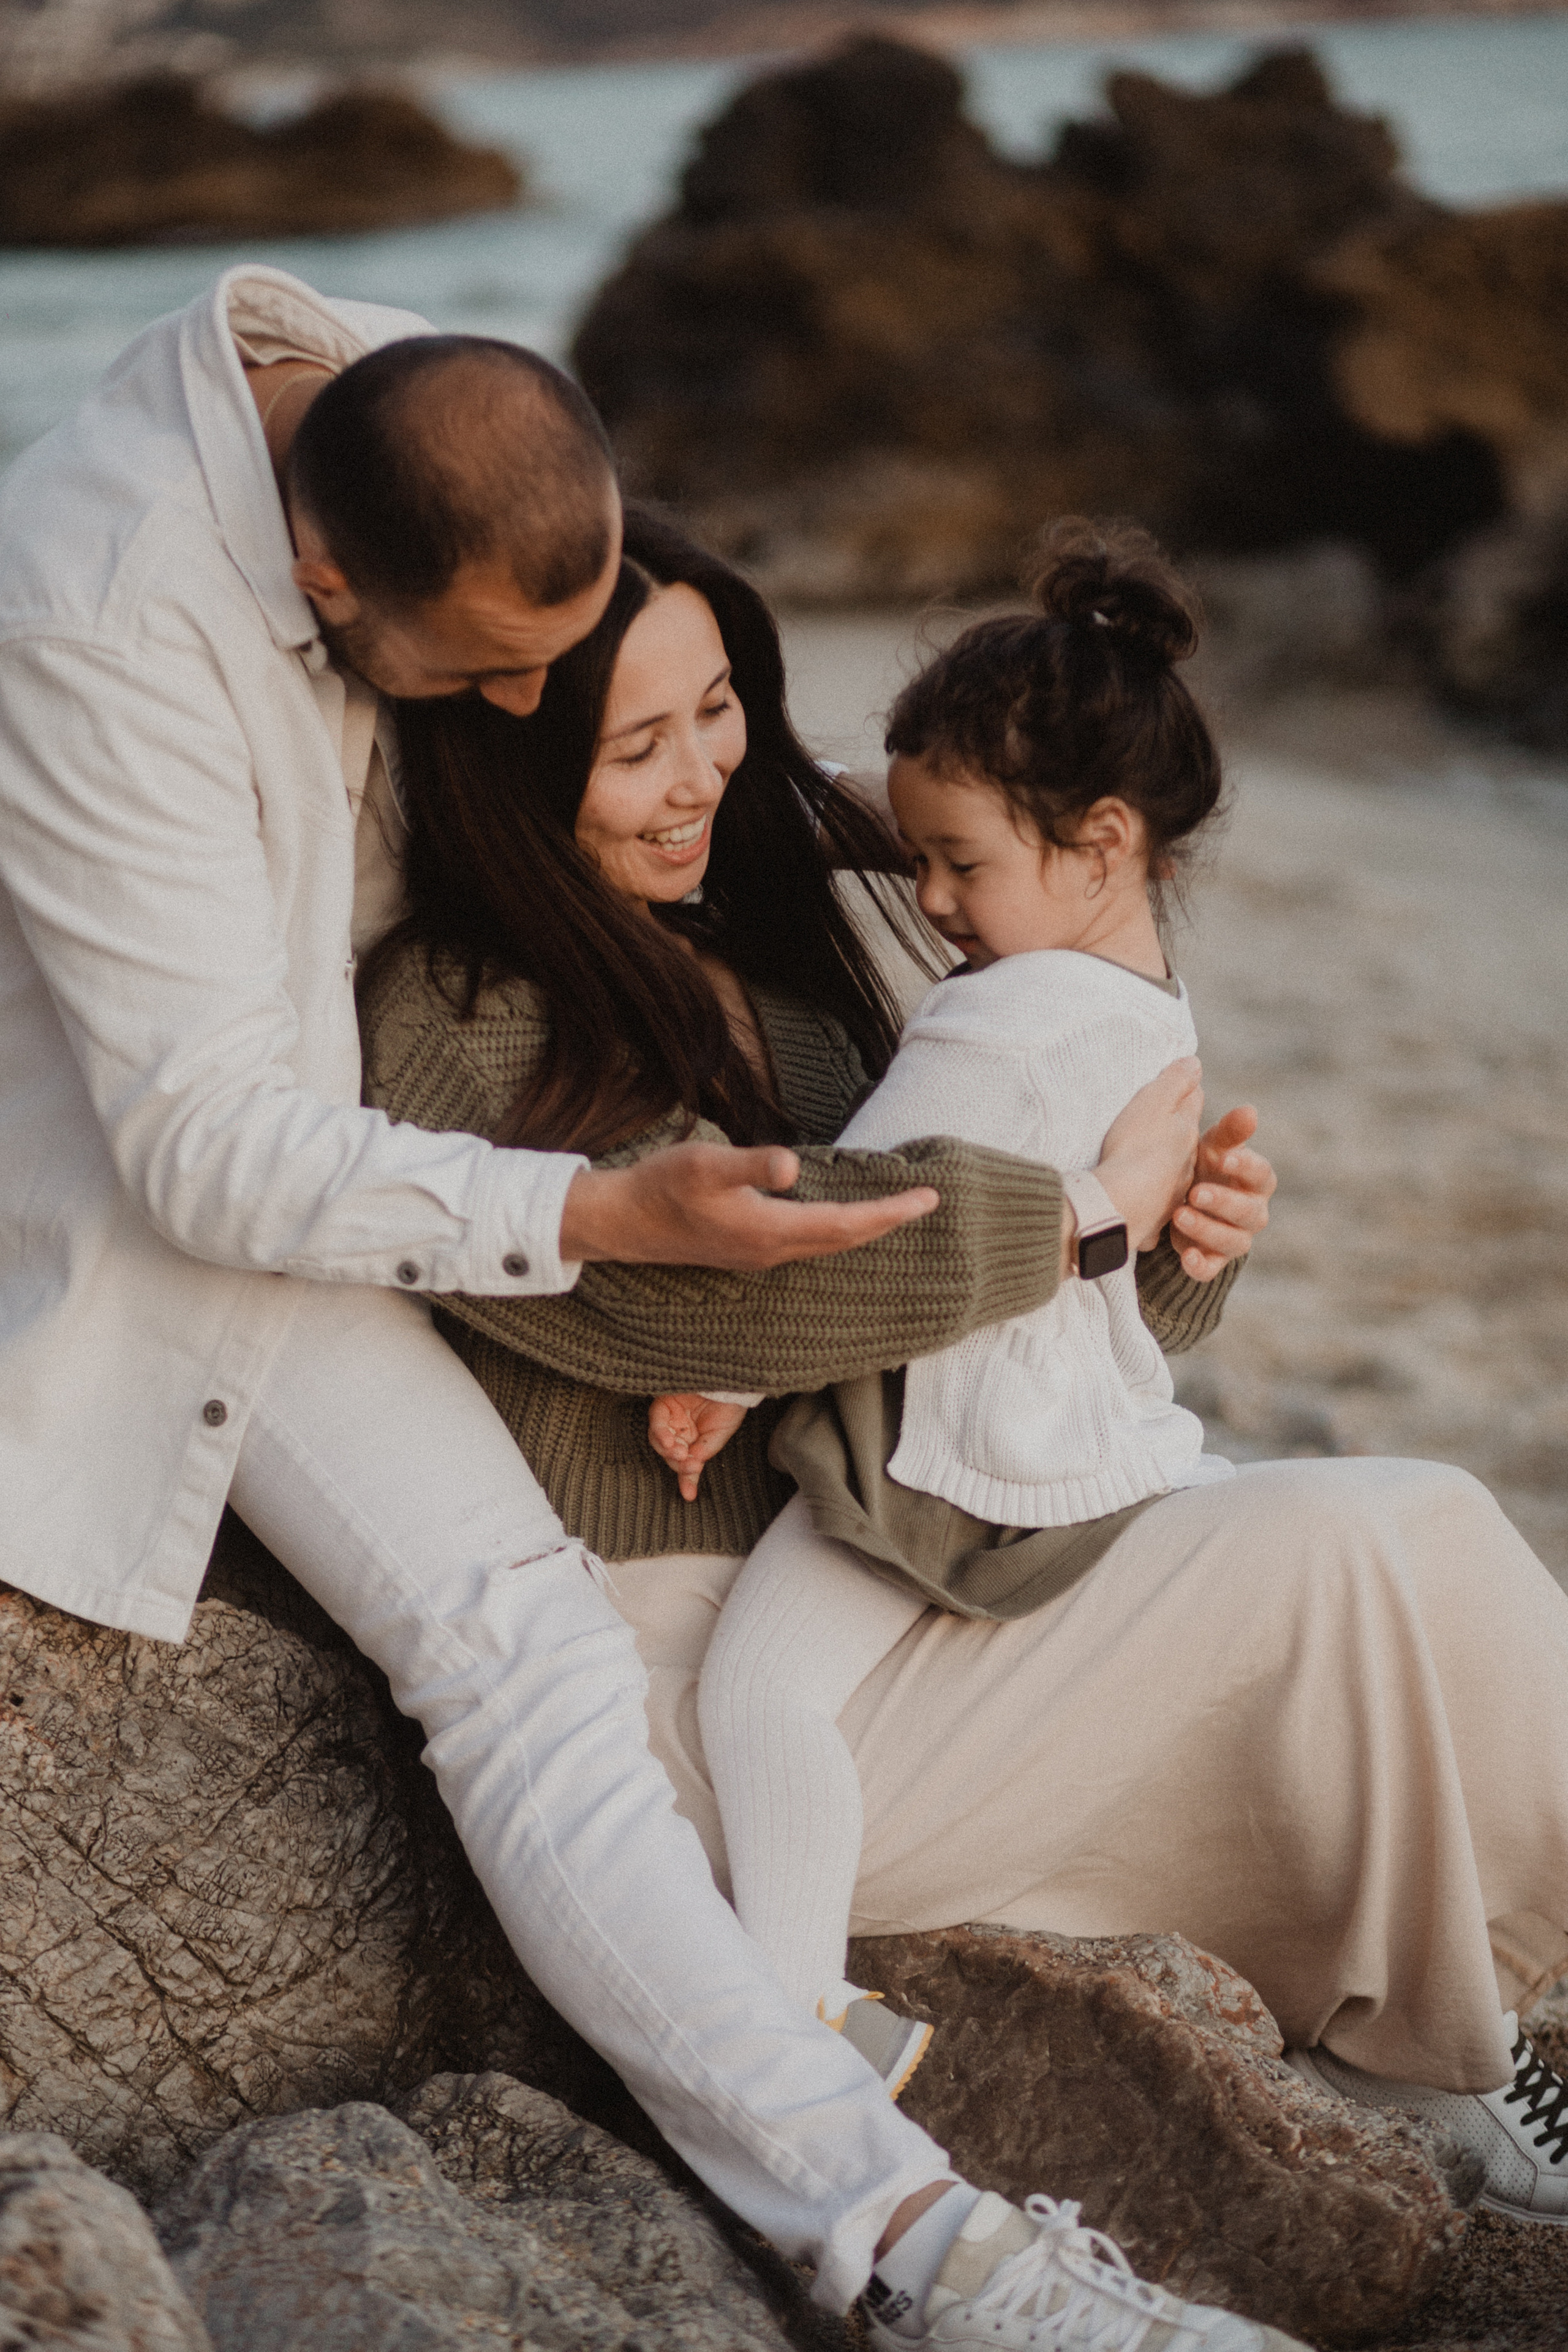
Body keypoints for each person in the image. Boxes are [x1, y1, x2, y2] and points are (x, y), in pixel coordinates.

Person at [0, 268, 1286, 2352]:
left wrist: (952, 849)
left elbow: (642, 726)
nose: (504, 715)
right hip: (189, 1212)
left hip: (399, 1133)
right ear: (323, 575)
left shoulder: (436, 411)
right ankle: (918, 2250)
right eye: (480, 682)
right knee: (518, 1656)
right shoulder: (93, 620)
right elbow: (208, 1154)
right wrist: (601, 1223)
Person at [361, 502, 1568, 2309]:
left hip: (898, 1537)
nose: (701, 780)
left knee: (1393, 1545)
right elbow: (749, 1277)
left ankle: (1451, 2038)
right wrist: (1090, 1217)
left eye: (724, 717)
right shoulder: (456, 1015)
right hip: (700, 1663)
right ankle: (1447, 2048)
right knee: (1398, 1545)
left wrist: (1169, 1255)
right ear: (512, 756)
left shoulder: (781, 955)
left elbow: (977, 1304)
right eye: (635, 746)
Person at [653, 521, 1240, 2062]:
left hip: (951, 1449)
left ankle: (796, 2010)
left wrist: (726, 1376)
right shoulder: (1135, 980)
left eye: (956, 861)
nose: (924, 897)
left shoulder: (1004, 1018)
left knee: (762, 1693)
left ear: (1102, 840)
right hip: (1080, 1425)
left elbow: (857, 1210)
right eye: (909, 852)